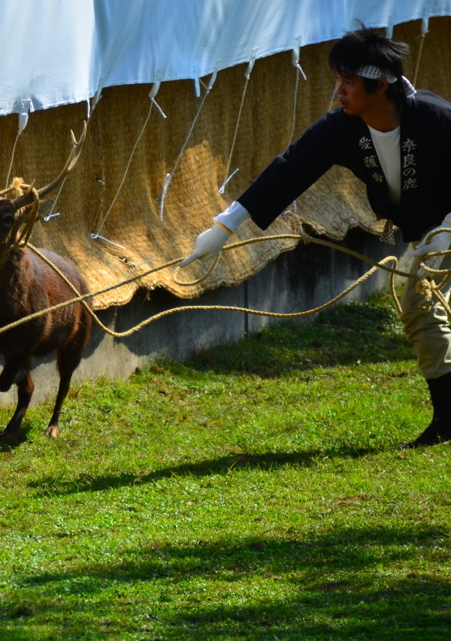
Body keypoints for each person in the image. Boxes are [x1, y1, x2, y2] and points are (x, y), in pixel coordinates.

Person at [180, 26, 451, 448]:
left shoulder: (435, 118)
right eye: (337, 81)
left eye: (347, 82)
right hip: (423, 233)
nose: (338, 91)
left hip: (447, 227)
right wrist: (224, 227)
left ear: (380, 85)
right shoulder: (343, 128)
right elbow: (290, 169)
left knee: (422, 303)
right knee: (421, 312)